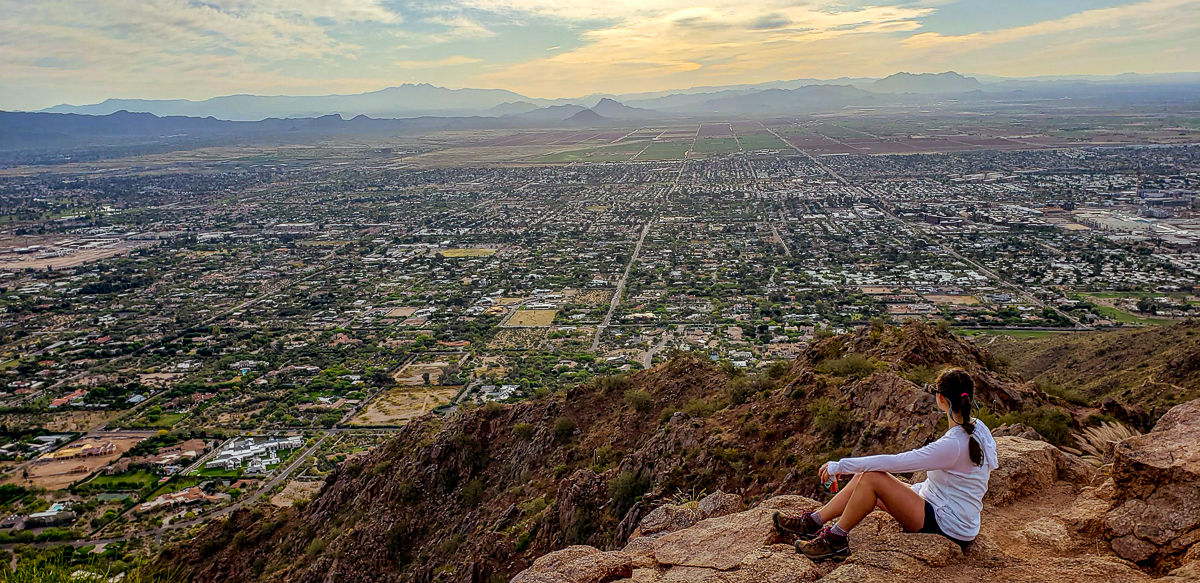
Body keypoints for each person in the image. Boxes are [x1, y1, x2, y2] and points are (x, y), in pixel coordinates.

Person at [773, 368, 999, 561]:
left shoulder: (953, 444)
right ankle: (814, 522)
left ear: (941, 399)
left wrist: (840, 465)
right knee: (865, 480)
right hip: (950, 513)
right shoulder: (978, 427)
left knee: (872, 477)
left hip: (948, 526)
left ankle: (836, 539)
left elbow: (897, 462)